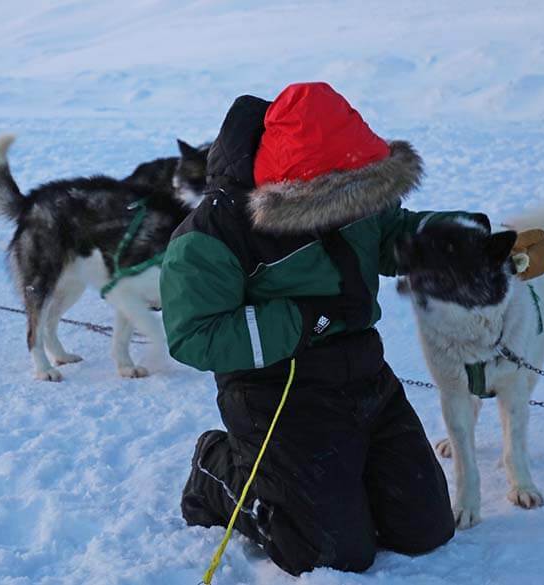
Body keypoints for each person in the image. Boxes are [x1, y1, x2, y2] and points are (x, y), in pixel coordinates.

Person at [159, 82, 489, 575]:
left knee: (424, 528)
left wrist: (463, 242)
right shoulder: (213, 235)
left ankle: (340, 486)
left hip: (364, 375)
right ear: (302, 182)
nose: (356, 202)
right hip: (276, 390)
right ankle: (216, 468)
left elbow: (392, 234)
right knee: (330, 553)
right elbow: (193, 334)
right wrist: (299, 320)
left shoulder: (353, 186)